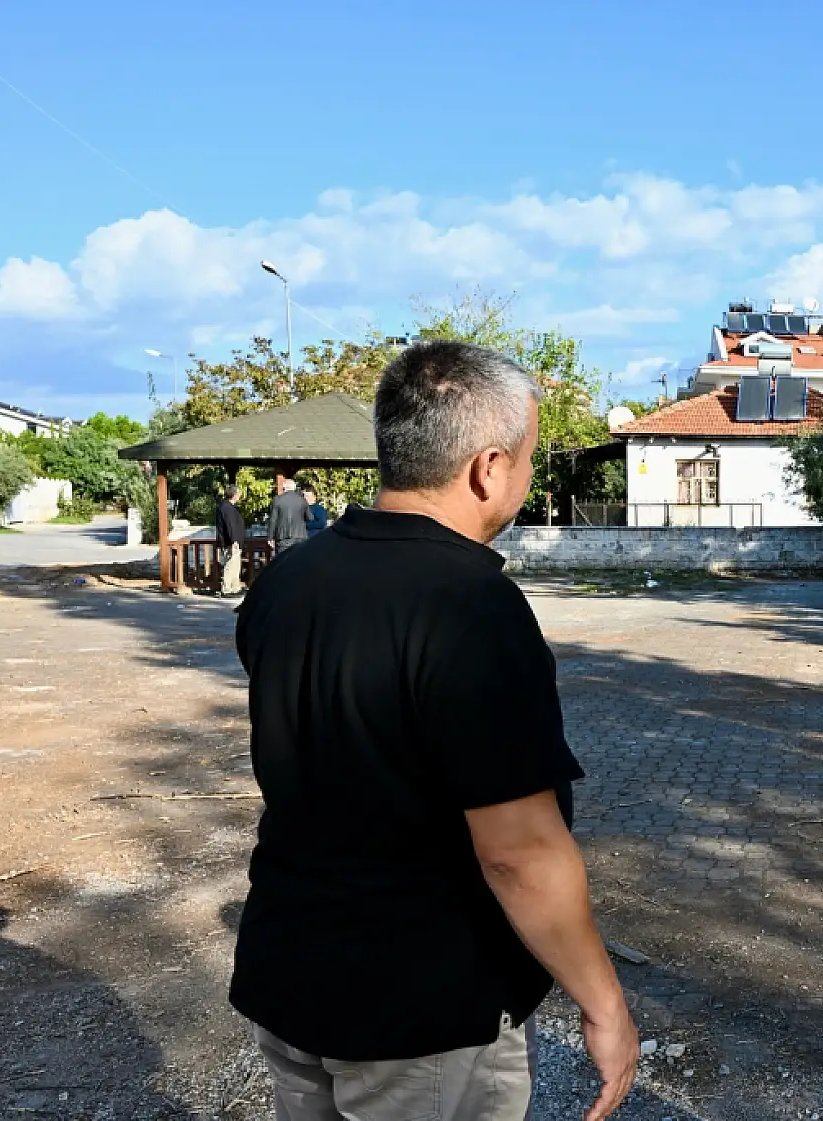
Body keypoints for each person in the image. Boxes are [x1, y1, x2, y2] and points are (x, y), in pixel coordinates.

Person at [231, 340, 638, 1121]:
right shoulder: (474, 609)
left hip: (292, 972)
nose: (525, 478)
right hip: (417, 1009)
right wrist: (604, 1002)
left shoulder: (287, 581)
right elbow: (519, 850)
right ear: (488, 468)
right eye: (526, 459)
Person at [215, 483, 246, 597]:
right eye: (238, 494)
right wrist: (234, 541)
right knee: (230, 565)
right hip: (231, 542)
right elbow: (230, 525)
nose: (239, 496)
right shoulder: (227, 508)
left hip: (232, 542)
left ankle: (235, 587)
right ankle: (227, 589)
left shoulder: (226, 506)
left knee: (235, 565)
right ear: (234, 494)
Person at [266, 477, 310, 555]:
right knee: (298, 562)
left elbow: (273, 519)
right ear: (294, 488)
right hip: (300, 536)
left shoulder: (277, 499)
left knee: (283, 562)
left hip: (283, 538)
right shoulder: (302, 500)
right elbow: (310, 517)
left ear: (284, 487)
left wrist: (270, 537)